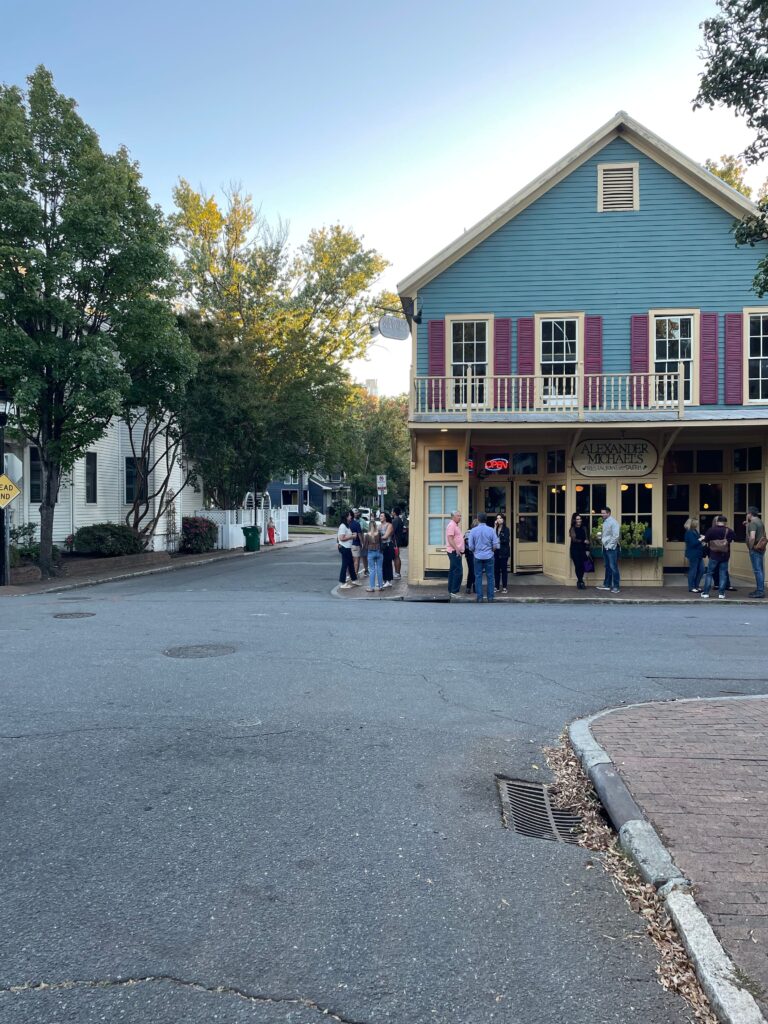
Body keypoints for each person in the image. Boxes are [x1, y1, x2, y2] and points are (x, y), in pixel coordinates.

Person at [700, 514, 735, 599]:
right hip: (725, 555)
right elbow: (732, 539)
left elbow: (705, 540)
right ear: (725, 523)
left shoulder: (711, 530)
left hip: (713, 555)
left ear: (717, 521)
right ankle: (721, 594)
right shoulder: (729, 531)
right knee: (723, 574)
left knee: (709, 573)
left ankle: (706, 593)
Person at [467, 512, 499, 602]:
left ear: (478, 519)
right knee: (490, 577)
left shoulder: (473, 531)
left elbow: (470, 546)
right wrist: (491, 551)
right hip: (489, 556)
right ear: (486, 519)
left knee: (478, 577)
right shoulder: (491, 530)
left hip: (477, 556)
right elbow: (495, 545)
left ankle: (480, 597)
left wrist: (475, 551)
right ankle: (490, 597)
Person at [596, 507, 620, 594]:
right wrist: (600, 537)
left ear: (609, 513)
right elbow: (607, 535)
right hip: (606, 547)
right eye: (601, 513)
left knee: (613, 567)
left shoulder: (613, 522)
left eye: (604, 513)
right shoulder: (605, 522)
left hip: (612, 548)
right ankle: (607, 585)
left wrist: (609, 546)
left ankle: (616, 587)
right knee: (607, 566)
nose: (602, 515)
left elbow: (616, 536)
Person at [746, 506, 766, 598]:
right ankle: (760, 589)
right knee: (760, 570)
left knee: (757, 571)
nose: (747, 515)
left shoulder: (753, 523)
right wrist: (747, 524)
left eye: (747, 513)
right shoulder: (759, 521)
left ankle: (760, 591)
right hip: (761, 548)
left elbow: (752, 537)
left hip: (755, 549)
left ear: (750, 514)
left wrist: (750, 547)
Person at [337, 511, 361, 590]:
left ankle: (354, 579)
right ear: (346, 517)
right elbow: (341, 538)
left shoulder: (347, 526)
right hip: (344, 547)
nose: (351, 517)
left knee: (350, 564)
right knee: (345, 564)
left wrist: (352, 535)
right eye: (349, 515)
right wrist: (352, 537)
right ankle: (342, 582)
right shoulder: (343, 526)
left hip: (347, 547)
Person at [445, 510, 464, 595]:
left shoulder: (455, 525)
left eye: (460, 516)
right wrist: (457, 549)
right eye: (458, 516)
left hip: (455, 551)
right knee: (458, 571)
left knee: (453, 571)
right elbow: (450, 539)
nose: (460, 517)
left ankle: (451, 591)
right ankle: (454, 591)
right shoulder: (451, 525)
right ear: (453, 517)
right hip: (454, 551)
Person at [569, 513, 590, 589]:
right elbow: (574, 540)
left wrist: (587, 549)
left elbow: (587, 539)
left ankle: (580, 582)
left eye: (580, 519)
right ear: (574, 520)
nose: (579, 520)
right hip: (575, 550)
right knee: (577, 566)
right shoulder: (572, 529)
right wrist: (583, 541)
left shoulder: (584, 528)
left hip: (583, 550)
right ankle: (581, 581)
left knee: (582, 566)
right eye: (577, 519)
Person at [683, 517, 704, 593]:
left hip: (698, 554)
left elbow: (697, 542)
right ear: (693, 524)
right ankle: (691, 587)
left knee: (701, 570)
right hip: (693, 554)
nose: (698, 524)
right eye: (696, 523)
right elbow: (693, 543)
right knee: (693, 570)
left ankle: (696, 586)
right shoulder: (689, 532)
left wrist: (701, 539)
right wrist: (701, 539)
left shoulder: (695, 531)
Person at [363, 517, 383, 592]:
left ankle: (372, 588)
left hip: (371, 553)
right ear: (375, 526)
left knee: (372, 570)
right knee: (379, 569)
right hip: (379, 552)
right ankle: (381, 586)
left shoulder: (367, 535)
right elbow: (381, 543)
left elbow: (365, 545)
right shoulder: (379, 534)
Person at [494, 514, 511, 594]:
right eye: (497, 518)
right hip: (496, 551)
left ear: (503, 519)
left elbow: (506, 540)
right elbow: (493, 537)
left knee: (503, 570)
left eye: (500, 518)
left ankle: (504, 587)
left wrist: (499, 540)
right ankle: (496, 587)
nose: (499, 519)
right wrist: (494, 526)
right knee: (496, 570)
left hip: (504, 552)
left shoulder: (506, 529)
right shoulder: (496, 528)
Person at [379, 511, 396, 588]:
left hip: (388, 546)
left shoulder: (389, 525)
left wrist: (376, 538)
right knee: (382, 563)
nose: (380, 517)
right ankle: (384, 580)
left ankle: (389, 581)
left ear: (385, 517)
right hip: (381, 546)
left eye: (382, 516)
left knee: (387, 563)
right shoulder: (379, 526)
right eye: (380, 516)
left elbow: (386, 536)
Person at [464, 517, 478, 594]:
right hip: (471, 554)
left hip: (472, 554)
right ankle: (471, 587)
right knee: (473, 570)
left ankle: (470, 587)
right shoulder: (468, 533)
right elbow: (469, 544)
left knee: (473, 570)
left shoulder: (468, 533)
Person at [350, 509, 364, 576]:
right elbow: (359, 534)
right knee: (356, 560)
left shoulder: (347, 523)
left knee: (350, 560)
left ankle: (349, 574)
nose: (357, 514)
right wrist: (362, 543)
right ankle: (355, 574)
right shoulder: (356, 524)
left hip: (348, 544)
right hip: (356, 544)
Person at [392, 506, 405, 579]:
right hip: (397, 540)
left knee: (396, 557)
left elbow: (392, 530)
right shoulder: (399, 520)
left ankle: (397, 573)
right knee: (396, 556)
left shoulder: (395, 520)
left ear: (394, 512)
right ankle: (397, 573)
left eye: (392, 511)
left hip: (395, 541)